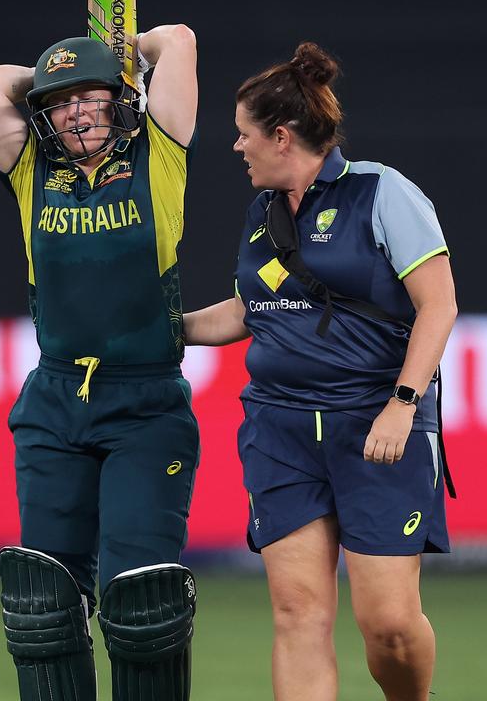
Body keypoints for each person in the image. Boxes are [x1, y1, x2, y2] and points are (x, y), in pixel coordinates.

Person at [183, 42, 458, 701]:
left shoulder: (381, 191)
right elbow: (251, 311)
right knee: (297, 614)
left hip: (374, 428)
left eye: (244, 134)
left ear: (281, 137)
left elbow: (439, 305)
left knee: (388, 625)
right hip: (278, 430)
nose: (236, 147)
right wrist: (161, 327)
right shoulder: (264, 214)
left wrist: (402, 403)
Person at [0, 25, 199, 701]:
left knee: (142, 604)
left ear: (121, 98)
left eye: (89, 97)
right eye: (58, 104)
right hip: (56, 402)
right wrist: (55, 72)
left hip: (146, 405)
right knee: (44, 603)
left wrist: (123, 47)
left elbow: (178, 41)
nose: (75, 113)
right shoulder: (33, 170)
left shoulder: (160, 152)